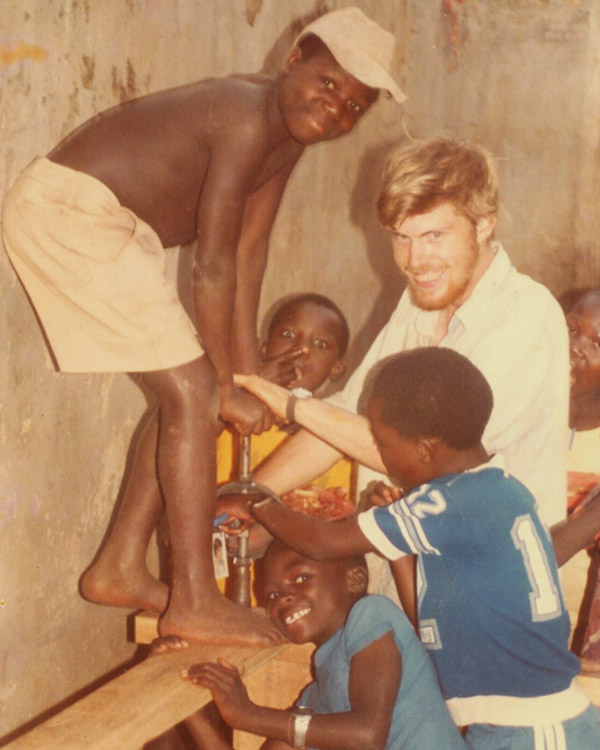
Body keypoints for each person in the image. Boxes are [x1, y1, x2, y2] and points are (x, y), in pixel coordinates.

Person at [1, 7, 404, 644]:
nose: (335, 110)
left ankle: (120, 566)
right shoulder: (244, 116)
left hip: (113, 227)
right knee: (193, 391)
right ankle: (192, 598)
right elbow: (212, 264)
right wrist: (223, 383)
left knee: (188, 392)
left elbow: (249, 249)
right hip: (69, 212)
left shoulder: (288, 138)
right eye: (328, 85)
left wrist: (244, 377)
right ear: (294, 59)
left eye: (354, 106)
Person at [225, 135, 570, 621]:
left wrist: (291, 405)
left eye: (435, 236)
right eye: (401, 237)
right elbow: (345, 419)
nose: (415, 260)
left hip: (493, 597)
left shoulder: (525, 318)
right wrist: (250, 496)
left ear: (484, 223)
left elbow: (436, 461)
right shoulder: (417, 303)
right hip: (409, 578)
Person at [218, 348, 600, 749]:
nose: (378, 454)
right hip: (516, 728)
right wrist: (398, 552)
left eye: (381, 442)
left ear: (423, 449)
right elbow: (436, 630)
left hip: (535, 731)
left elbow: (324, 541)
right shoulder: (498, 491)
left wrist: (256, 503)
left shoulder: (449, 500)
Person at [158, 539, 466, 750]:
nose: (284, 598)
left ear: (354, 579)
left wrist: (245, 713)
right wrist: (185, 703)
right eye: (272, 596)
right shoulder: (315, 701)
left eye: (301, 578)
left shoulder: (372, 614)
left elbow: (368, 734)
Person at [561, 289, 600, 663]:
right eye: (571, 329)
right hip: (515, 628)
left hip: (583, 644)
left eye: (598, 343)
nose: (576, 346)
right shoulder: (516, 422)